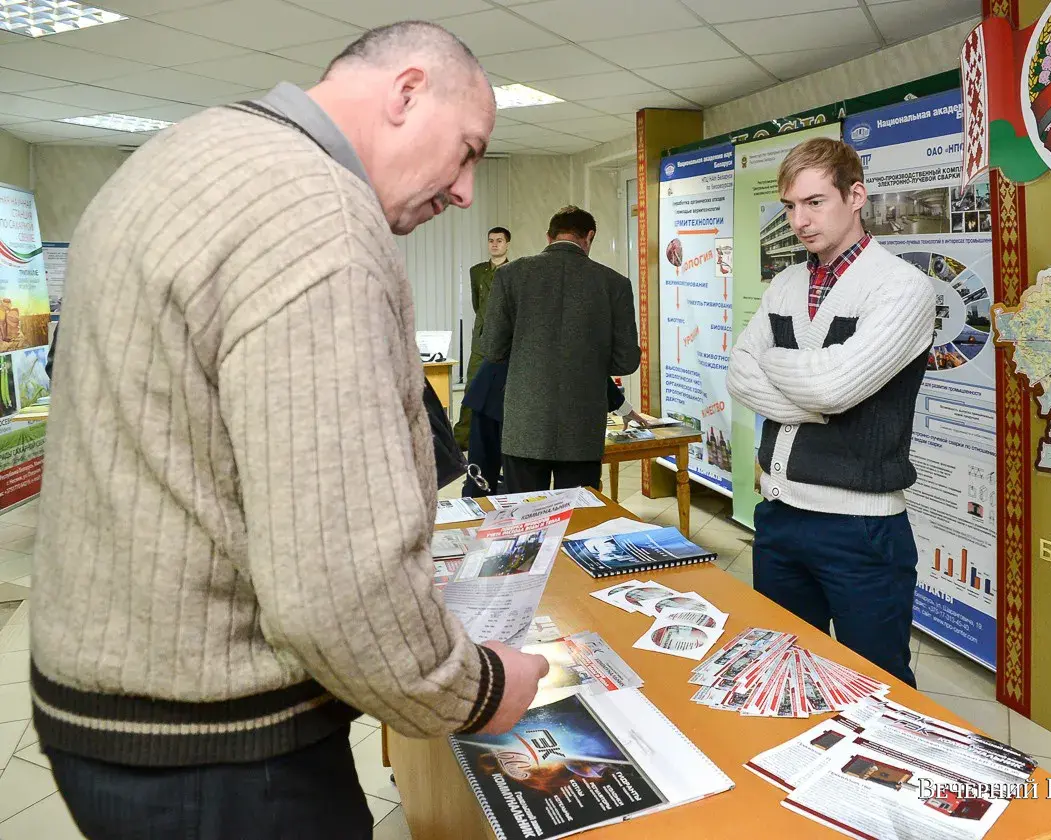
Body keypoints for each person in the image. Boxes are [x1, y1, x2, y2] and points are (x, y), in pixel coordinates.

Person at [31, 21, 549, 840]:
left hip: (114, 704)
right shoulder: (318, 214)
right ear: (408, 93)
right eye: (469, 150)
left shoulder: (188, 153)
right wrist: (477, 686)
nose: (465, 192)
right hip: (216, 747)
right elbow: (338, 585)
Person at [726, 137, 934, 688]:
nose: (799, 220)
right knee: (781, 673)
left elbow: (835, 388)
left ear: (856, 195)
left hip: (860, 526)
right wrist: (811, 396)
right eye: (790, 206)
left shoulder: (902, 287)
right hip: (778, 515)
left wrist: (777, 363)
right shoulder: (787, 282)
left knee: (878, 686)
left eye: (815, 202)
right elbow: (740, 372)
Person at [480, 205, 640, 493]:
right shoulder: (615, 283)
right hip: (581, 428)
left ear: (549, 236)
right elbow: (626, 362)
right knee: (578, 519)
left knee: (526, 522)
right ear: (589, 236)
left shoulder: (510, 276)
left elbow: (491, 349)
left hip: (525, 424)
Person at [460, 356, 642, 498]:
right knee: (482, 481)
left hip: (524, 398)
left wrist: (624, 407)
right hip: (499, 393)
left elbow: (587, 361)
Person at [454, 226, 511, 449]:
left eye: (499, 240)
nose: (494, 244)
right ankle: (462, 440)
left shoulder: (516, 270)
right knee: (472, 389)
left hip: (507, 340)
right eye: (491, 240)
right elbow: (478, 305)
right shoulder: (476, 271)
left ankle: (504, 440)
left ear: (507, 244)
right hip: (481, 339)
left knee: (505, 391)